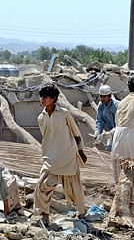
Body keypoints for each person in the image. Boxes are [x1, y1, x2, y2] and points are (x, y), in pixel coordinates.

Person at [35, 83, 87, 225]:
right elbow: (46, 136)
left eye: (45, 97)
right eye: (41, 96)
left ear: (53, 98)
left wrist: (81, 151)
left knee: (74, 186)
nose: (42, 99)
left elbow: (76, 133)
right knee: (42, 187)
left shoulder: (64, 113)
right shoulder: (41, 118)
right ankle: (45, 215)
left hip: (67, 155)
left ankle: (82, 213)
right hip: (50, 157)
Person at [94, 85, 119, 151]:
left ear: (110, 96)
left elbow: (121, 123)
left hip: (120, 134)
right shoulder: (101, 105)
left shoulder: (117, 105)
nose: (102, 99)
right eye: (101, 96)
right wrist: (97, 135)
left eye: (104, 97)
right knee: (109, 149)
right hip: (110, 134)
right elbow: (99, 121)